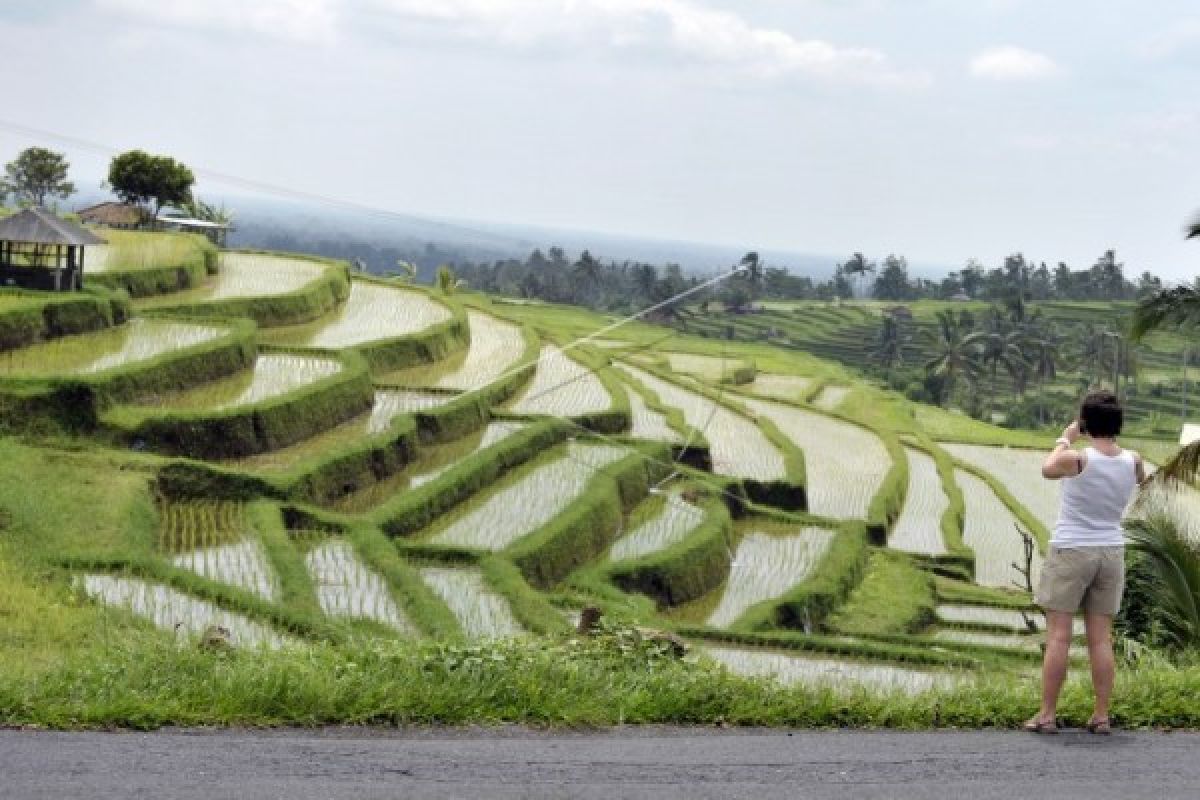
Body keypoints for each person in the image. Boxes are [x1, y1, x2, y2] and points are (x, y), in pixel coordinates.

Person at [1025, 390, 1145, 735]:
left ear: (1087, 423)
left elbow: (1047, 468)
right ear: (1118, 424)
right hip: (1111, 552)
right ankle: (1101, 715)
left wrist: (1065, 436)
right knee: (1101, 640)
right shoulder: (1133, 460)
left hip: (1072, 549)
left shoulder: (1077, 459)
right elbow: (1138, 479)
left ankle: (1047, 714)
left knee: (1059, 636)